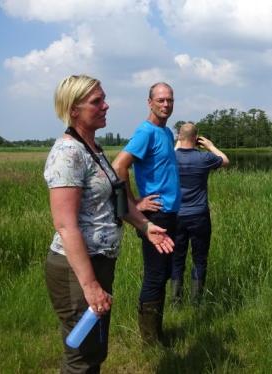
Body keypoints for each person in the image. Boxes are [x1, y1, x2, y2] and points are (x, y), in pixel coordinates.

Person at [44, 75, 173, 372]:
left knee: (96, 350)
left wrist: (145, 226)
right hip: (76, 268)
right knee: (82, 357)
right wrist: (90, 286)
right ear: (74, 109)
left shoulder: (93, 148)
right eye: (96, 101)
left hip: (99, 261)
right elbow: (66, 226)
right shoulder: (68, 153)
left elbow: (117, 201)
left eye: (103, 98)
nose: (106, 105)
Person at [112, 82, 181, 346]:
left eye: (170, 100)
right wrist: (133, 203)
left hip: (170, 213)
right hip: (157, 217)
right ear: (149, 102)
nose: (166, 105)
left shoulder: (166, 133)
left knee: (163, 273)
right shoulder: (146, 131)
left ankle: (157, 333)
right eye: (161, 100)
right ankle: (151, 341)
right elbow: (119, 166)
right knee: (155, 274)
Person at [171, 122, 229, 306]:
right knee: (199, 258)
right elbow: (225, 161)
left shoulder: (171, 158)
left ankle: (175, 301)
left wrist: (178, 142)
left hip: (176, 217)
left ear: (179, 137)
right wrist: (210, 146)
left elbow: (174, 151)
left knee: (177, 258)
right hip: (199, 216)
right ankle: (196, 301)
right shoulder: (204, 158)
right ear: (197, 139)